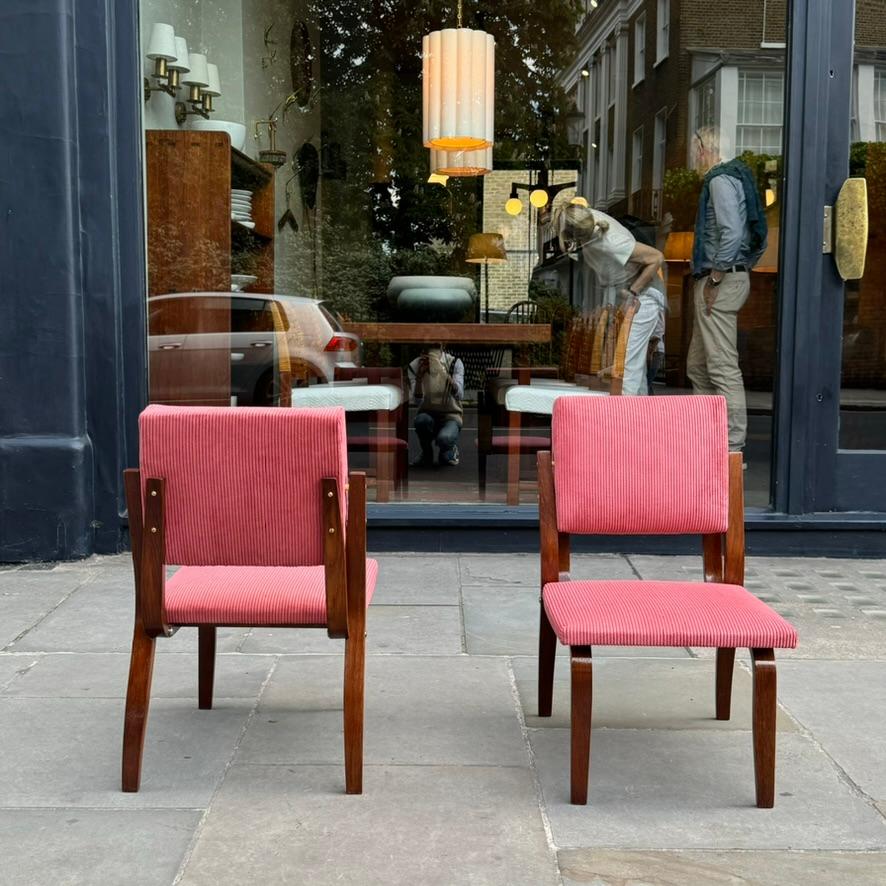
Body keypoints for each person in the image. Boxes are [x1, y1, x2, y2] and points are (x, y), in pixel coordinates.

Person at [688, 127, 768, 452]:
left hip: (718, 280)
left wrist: (718, 277)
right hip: (727, 276)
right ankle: (710, 438)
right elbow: (755, 237)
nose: (695, 157)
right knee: (698, 364)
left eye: (696, 150)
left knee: (721, 365)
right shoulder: (737, 179)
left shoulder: (719, 181)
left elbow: (732, 233)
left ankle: (731, 447)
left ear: (706, 149)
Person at [556, 203, 666, 396]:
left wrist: (633, 292)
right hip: (632, 298)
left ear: (576, 237)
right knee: (633, 369)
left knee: (626, 369)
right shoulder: (589, 217)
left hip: (644, 299)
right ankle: (638, 420)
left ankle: (622, 421)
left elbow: (656, 257)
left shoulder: (612, 242)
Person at [408, 345, 465, 467]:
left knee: (445, 441)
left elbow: (459, 394)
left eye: (434, 347)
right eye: (427, 347)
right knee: (421, 421)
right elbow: (417, 402)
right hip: (428, 413)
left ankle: (449, 448)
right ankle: (426, 452)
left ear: (442, 348)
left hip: (451, 415)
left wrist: (441, 372)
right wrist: (419, 378)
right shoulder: (415, 365)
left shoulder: (454, 362)